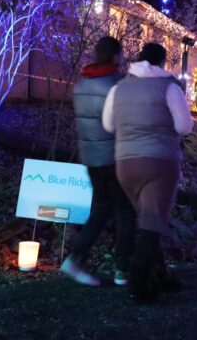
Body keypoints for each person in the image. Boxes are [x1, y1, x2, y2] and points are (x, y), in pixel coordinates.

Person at [102, 43, 194, 302]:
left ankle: (160, 275)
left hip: (125, 163)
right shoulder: (169, 87)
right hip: (159, 162)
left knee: (147, 219)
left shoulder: (119, 87)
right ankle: (139, 283)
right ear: (162, 62)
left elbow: (108, 125)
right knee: (152, 224)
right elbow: (184, 126)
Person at [63, 36, 135, 287]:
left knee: (102, 208)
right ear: (116, 56)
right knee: (126, 211)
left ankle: (75, 258)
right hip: (115, 157)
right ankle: (122, 270)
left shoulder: (81, 84)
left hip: (91, 158)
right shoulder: (119, 84)